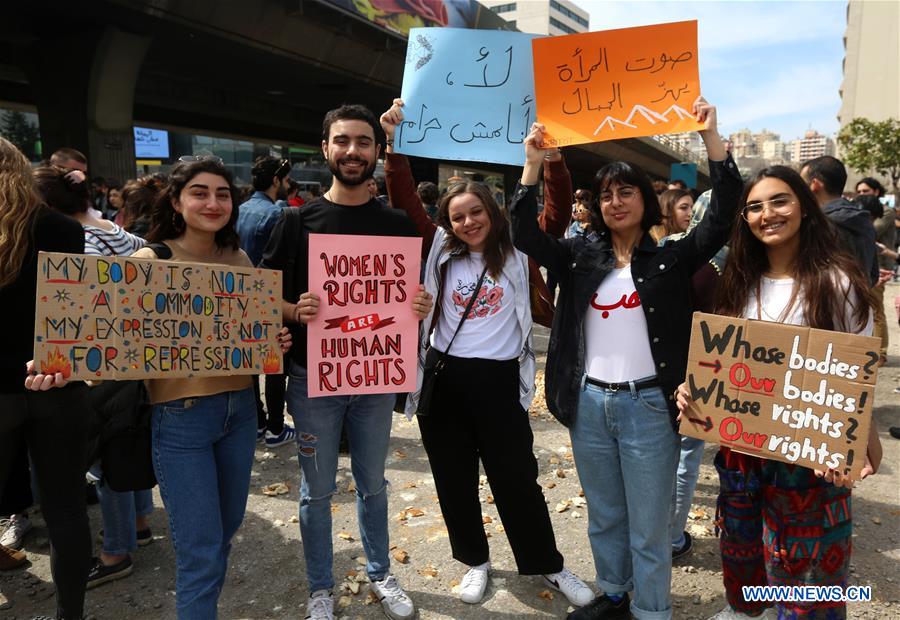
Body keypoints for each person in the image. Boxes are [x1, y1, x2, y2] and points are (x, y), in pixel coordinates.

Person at [511, 98, 740, 620]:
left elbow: (725, 213)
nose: (615, 202)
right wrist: (533, 163)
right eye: (606, 195)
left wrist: (712, 139)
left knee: (650, 523)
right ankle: (614, 594)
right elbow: (523, 233)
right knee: (605, 515)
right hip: (589, 404)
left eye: (626, 191)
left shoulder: (674, 257)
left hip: (650, 409)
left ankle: (652, 610)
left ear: (645, 199)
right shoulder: (577, 255)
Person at [380, 100, 593, 609]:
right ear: (447, 223)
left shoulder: (520, 248)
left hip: (500, 385)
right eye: (458, 216)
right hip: (445, 382)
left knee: (518, 480)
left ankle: (548, 564)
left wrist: (552, 161)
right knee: (454, 481)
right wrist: (393, 147)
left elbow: (558, 210)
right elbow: (406, 201)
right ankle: (475, 562)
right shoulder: (437, 248)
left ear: (493, 211)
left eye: (477, 212)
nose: (469, 221)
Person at [676, 165, 883, 620]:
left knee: (809, 582)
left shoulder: (840, 283)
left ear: (805, 209)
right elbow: (721, 364)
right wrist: (694, 392)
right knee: (743, 551)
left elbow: (855, 375)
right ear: (744, 220)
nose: (767, 213)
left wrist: (858, 443)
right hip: (742, 453)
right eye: (754, 207)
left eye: (779, 201)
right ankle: (747, 610)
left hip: (810, 461)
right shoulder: (737, 281)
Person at [260, 104, 433, 620]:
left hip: (376, 378)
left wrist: (420, 305)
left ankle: (380, 572)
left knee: (374, 482)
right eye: (342, 141)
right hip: (313, 377)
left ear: (377, 152)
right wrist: (294, 308)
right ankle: (320, 587)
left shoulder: (399, 225)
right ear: (325, 149)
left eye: (363, 141)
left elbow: (410, 295)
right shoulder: (295, 221)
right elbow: (262, 295)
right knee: (316, 490)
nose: (353, 151)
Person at [130, 156, 292, 619]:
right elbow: (111, 342)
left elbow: (251, 330)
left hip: (240, 411)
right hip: (182, 420)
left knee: (224, 531)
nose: (213, 202)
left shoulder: (236, 259)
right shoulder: (150, 261)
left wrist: (271, 336)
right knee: (200, 550)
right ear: (177, 202)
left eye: (223, 193)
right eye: (199, 192)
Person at [32, 164, 155, 588]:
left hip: (101, 363)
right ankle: (140, 523)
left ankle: (116, 551)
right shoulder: (111, 229)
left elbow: (77, 310)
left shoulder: (75, 243)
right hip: (138, 357)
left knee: (105, 458)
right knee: (130, 437)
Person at [0, 137, 92, 620]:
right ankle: (69, 614)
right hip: (56, 381)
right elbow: (68, 312)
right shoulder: (61, 228)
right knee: (66, 510)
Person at [235, 156, 295, 448]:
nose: (287, 185)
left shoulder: (239, 210)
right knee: (274, 365)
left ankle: (258, 422)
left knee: (248, 365)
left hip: (238, 297)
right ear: (276, 181)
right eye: (285, 180)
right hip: (269, 296)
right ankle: (275, 427)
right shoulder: (274, 215)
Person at [800, 156, 878, 285]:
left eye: (802, 184)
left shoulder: (817, 225)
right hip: (859, 301)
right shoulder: (864, 220)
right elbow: (873, 275)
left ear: (815, 184)